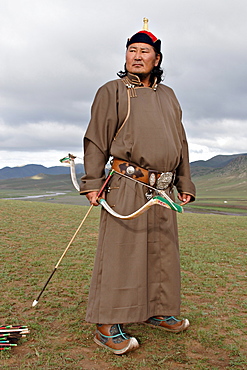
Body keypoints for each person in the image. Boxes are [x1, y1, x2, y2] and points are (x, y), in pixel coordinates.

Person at [80, 18, 196, 355]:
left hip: (163, 188)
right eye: (132, 50)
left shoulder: (170, 96)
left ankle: (156, 310)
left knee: (161, 252)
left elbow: (181, 143)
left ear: (157, 59)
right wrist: (92, 182)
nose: (137, 56)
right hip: (126, 183)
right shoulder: (111, 92)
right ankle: (106, 323)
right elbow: (95, 141)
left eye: (145, 51)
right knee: (122, 252)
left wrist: (184, 181)